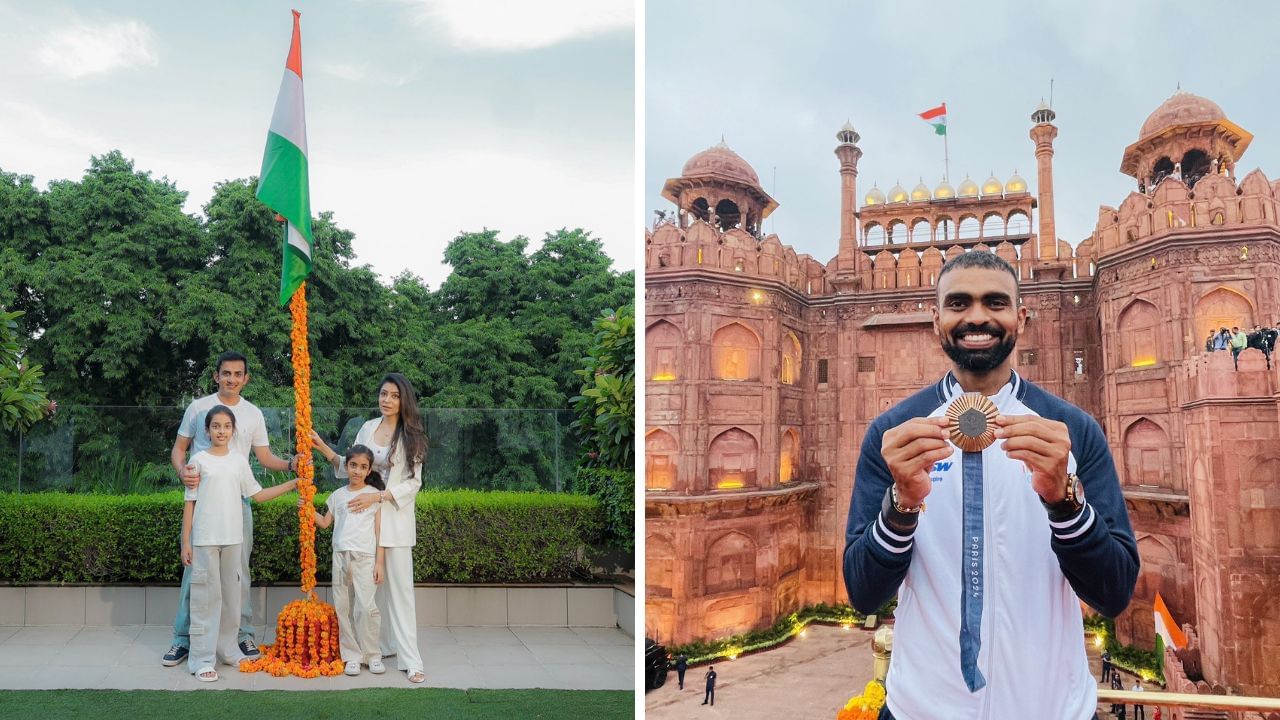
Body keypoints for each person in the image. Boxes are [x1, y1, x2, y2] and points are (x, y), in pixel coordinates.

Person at [842, 251, 1139, 719]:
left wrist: (1065, 502)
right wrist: (900, 506)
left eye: (995, 303)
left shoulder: (1069, 432)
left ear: (1020, 318)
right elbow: (862, 593)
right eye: (959, 303)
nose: (977, 317)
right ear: (935, 320)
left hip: (1048, 709)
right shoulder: (896, 434)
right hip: (922, 709)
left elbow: (1114, 593)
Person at [163, 351, 300, 667]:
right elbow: (178, 450)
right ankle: (184, 639)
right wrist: (181, 470)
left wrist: (291, 465)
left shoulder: (253, 414)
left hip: (239, 502)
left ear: (246, 378)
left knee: (239, 572)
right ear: (216, 376)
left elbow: (265, 458)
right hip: (205, 500)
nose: (232, 379)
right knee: (195, 573)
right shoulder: (198, 408)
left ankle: (241, 635)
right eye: (226, 373)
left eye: (238, 374)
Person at [312, 372, 427, 684]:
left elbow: (414, 482)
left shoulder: (412, 435)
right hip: (362, 523)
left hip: (395, 517)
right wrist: (323, 447)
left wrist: (379, 495)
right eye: (383, 394)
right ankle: (382, 646)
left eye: (393, 395)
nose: (386, 400)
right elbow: (353, 465)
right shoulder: (366, 428)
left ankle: (410, 659)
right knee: (368, 593)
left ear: (404, 400)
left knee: (400, 591)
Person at [181, 405, 298, 681]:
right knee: (205, 600)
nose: (221, 431)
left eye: (226, 426)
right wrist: (186, 541)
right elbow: (190, 503)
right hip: (205, 540)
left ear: (233, 431)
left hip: (234, 539)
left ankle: (228, 649)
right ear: (207, 431)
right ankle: (202, 659)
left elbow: (256, 494)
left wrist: (293, 484)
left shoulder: (238, 461)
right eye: (216, 426)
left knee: (233, 599)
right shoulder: (198, 461)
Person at [309, 444, 386, 676]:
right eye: (353, 465)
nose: (357, 471)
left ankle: (372, 654)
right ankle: (351, 656)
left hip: (365, 558)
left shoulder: (373, 497)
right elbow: (324, 523)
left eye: (363, 467)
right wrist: (306, 509)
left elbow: (380, 532)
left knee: (366, 607)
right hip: (341, 557)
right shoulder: (337, 496)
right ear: (346, 466)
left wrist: (379, 562)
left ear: (369, 470)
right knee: (343, 607)